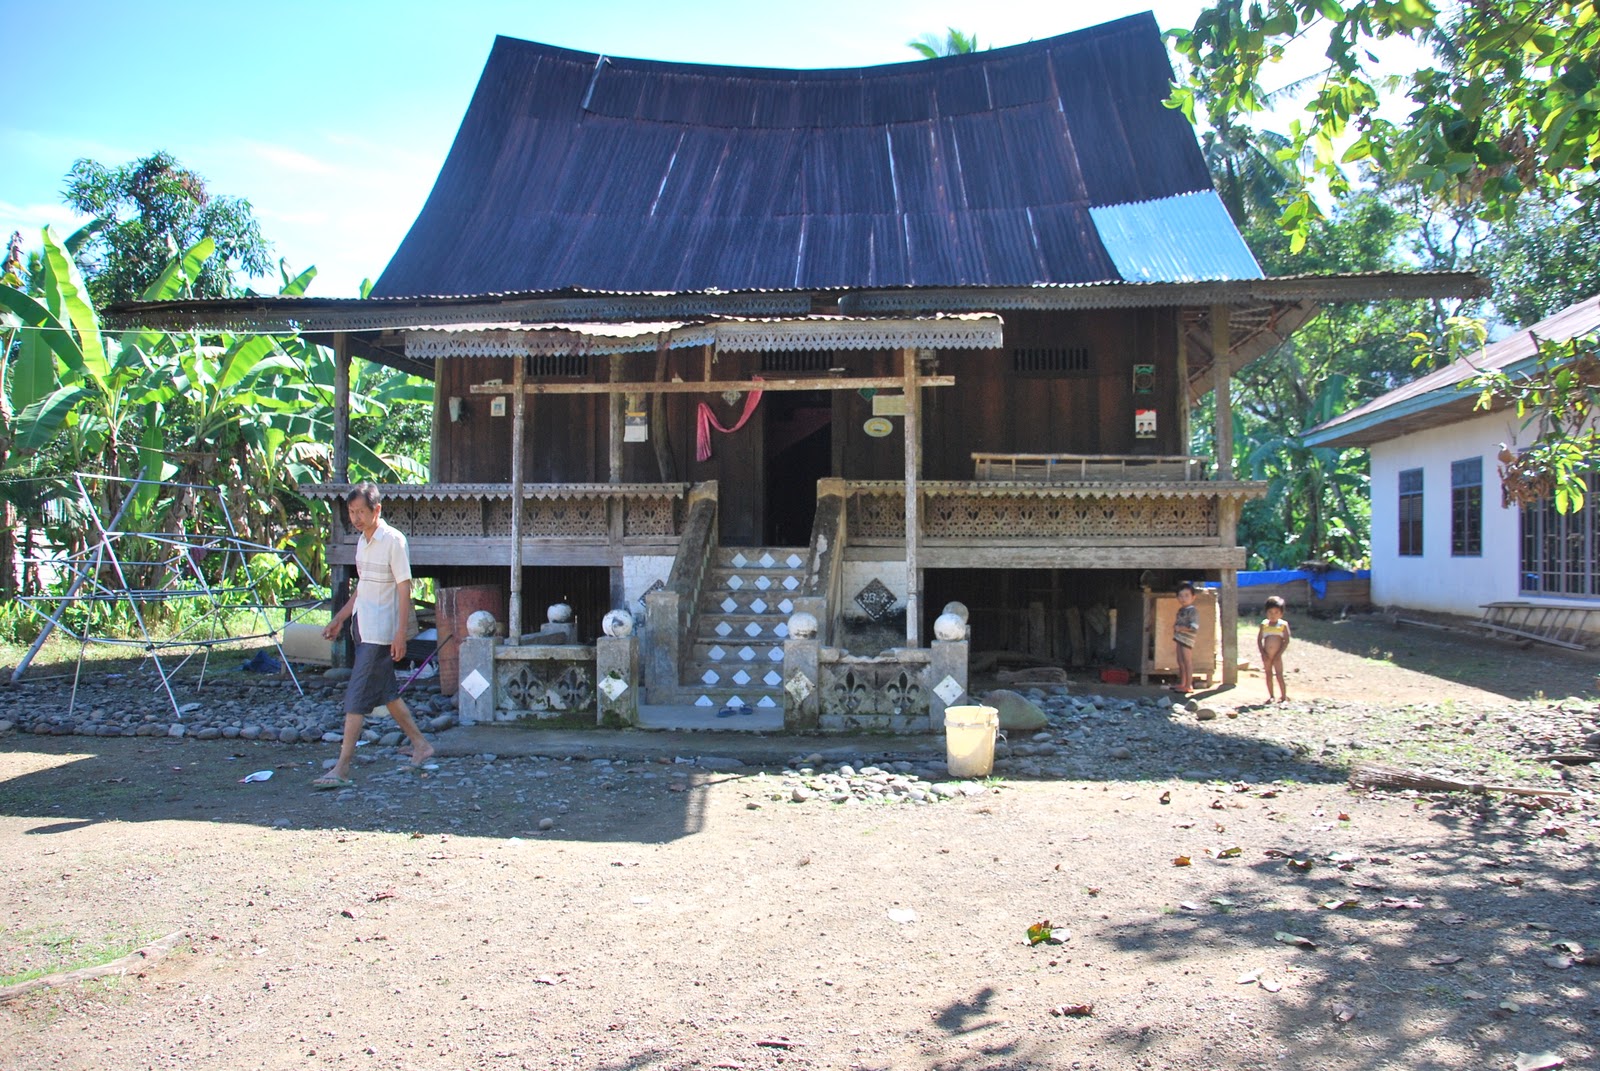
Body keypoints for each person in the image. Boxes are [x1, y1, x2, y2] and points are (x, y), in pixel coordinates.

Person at [316, 483, 434, 788]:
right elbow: (363, 587)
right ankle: (421, 745)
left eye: (360, 512)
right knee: (387, 695)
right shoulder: (362, 541)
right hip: (362, 626)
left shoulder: (394, 540)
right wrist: (340, 618)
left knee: (355, 698)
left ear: (376, 510)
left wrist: (401, 634)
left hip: (382, 631)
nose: (355, 517)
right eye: (351, 512)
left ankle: (342, 767)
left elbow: (404, 588)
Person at [1257, 595, 1292, 703]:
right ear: (1266, 612)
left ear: (1281, 613)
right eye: (1270, 612)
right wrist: (1263, 653)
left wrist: (1279, 654)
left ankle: (1283, 696)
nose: (1273, 615)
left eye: (1276, 612)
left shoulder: (1283, 625)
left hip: (1277, 656)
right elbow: (1259, 640)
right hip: (1267, 656)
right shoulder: (1264, 624)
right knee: (1268, 674)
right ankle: (1271, 696)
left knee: (1279, 675)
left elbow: (1286, 640)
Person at [1172, 581, 1199, 693]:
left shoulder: (1193, 611)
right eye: (1181, 596)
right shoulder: (1181, 610)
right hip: (1179, 637)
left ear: (1193, 597)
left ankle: (1188, 685)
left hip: (1187, 639)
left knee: (1187, 661)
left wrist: (1181, 628)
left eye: (1187, 595)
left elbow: (1194, 626)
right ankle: (1182, 683)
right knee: (1180, 661)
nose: (1183, 598)